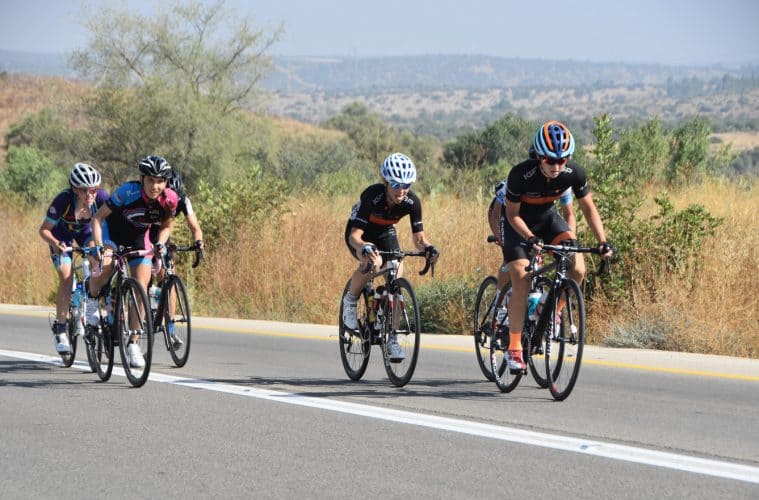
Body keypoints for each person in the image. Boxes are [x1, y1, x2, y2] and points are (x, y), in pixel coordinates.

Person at [501, 121, 612, 371]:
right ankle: (515, 347)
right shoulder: (521, 174)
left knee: (578, 268)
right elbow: (511, 214)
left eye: (562, 160)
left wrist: (602, 241)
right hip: (519, 225)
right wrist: (530, 237)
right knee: (521, 278)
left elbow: (588, 209)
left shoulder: (575, 173)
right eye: (550, 160)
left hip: (548, 220)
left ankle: (551, 311)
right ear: (540, 157)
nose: (557, 166)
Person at [341, 152, 439, 361]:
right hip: (361, 233)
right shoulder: (372, 196)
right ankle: (350, 301)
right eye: (395, 184)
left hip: (385, 231)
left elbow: (419, 238)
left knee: (397, 269)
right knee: (374, 263)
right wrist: (364, 246)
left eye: (406, 185)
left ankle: (392, 338)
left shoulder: (412, 202)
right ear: (385, 182)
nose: (401, 190)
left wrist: (429, 248)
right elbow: (354, 236)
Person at [87, 155, 178, 368]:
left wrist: (160, 243)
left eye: (160, 181)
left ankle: (133, 343)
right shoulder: (127, 192)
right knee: (106, 266)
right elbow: (98, 218)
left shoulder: (170, 198)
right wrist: (99, 246)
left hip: (138, 237)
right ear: (142, 179)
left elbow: (167, 224)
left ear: (166, 182)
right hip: (113, 233)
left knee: (141, 287)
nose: (155, 186)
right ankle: (91, 301)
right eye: (151, 180)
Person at [39, 163, 108, 354]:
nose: (90, 194)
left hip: (86, 233)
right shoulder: (64, 200)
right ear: (75, 189)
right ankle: (61, 329)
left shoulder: (101, 198)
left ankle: (92, 305)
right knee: (66, 276)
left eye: (93, 189)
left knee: (98, 261)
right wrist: (55, 243)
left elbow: (111, 223)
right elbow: (44, 230)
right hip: (61, 237)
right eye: (85, 190)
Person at [147, 166, 204, 348]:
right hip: (146, 232)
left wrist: (199, 243)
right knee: (146, 275)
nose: (173, 199)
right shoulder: (153, 198)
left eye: (176, 195)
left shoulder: (183, 200)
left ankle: (170, 329)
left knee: (169, 276)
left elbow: (195, 228)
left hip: (163, 235)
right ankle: (147, 296)